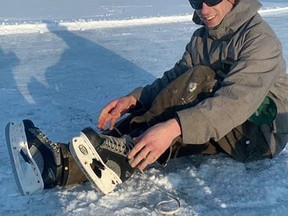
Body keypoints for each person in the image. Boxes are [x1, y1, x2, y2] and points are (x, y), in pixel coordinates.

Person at [6, 0, 288, 195]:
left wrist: (171, 127)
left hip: (260, 133)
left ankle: (116, 149)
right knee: (186, 98)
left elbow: (234, 103)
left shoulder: (259, 40)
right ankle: (63, 166)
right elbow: (173, 80)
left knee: (196, 88)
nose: (204, 9)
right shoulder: (202, 38)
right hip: (223, 121)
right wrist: (134, 100)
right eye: (195, 0)